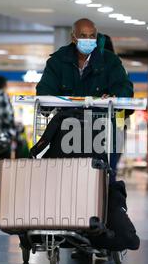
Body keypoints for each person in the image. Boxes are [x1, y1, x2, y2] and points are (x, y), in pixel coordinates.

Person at [35, 18, 133, 180]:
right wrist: (47, 101)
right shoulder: (58, 61)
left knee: (100, 178)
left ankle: (100, 201)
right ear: (73, 38)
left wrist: (115, 97)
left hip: (100, 131)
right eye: (83, 36)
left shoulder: (110, 62)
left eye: (91, 36)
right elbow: (44, 90)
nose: (88, 40)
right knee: (64, 178)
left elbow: (124, 88)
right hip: (66, 131)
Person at [0, 76, 16, 159]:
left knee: (0, 157)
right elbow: (7, 115)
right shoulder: (3, 96)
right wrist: (13, 129)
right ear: (5, 85)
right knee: (5, 159)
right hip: (5, 132)